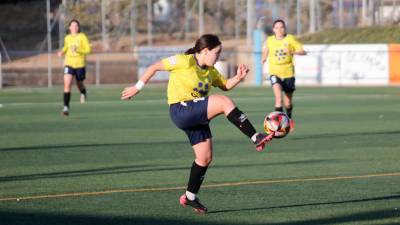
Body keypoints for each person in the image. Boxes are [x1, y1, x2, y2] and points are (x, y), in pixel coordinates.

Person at [121, 34, 273, 214]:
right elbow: (154, 67)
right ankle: (255, 136)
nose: (219, 57)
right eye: (217, 53)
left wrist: (238, 78)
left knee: (205, 158)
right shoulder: (183, 61)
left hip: (196, 114)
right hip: (181, 110)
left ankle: (190, 197)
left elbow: (224, 84)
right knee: (224, 102)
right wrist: (137, 88)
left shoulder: (211, 71)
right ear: (205, 51)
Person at [261, 19, 306, 131]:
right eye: (277, 27)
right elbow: (266, 49)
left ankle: (289, 119)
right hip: (275, 73)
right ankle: (278, 126)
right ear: (273, 29)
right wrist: (264, 57)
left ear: (284, 28)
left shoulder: (290, 39)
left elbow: (303, 51)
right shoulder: (270, 40)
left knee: (288, 102)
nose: (279, 29)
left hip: (289, 73)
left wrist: (292, 52)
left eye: (281, 27)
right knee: (278, 99)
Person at [58, 19, 91, 116]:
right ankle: (66, 108)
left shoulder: (82, 37)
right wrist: (62, 52)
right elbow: (66, 47)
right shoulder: (67, 38)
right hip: (69, 64)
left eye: (76, 26)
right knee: (67, 85)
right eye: (72, 26)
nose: (74, 27)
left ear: (78, 27)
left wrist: (78, 49)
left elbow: (88, 50)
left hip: (80, 65)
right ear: (69, 27)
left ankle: (83, 92)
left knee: (79, 83)